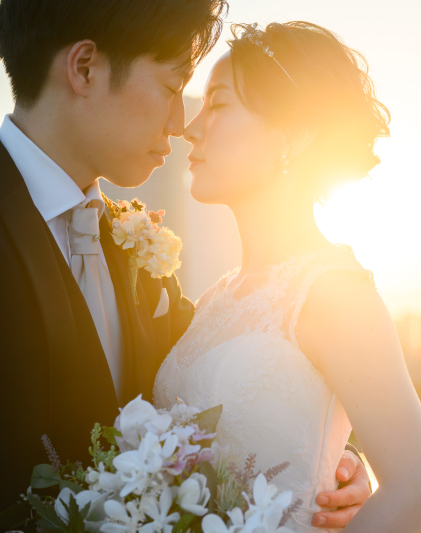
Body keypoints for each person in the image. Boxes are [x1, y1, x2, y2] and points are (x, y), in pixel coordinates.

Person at [0, 1, 371, 524]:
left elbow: (219, 382)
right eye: (174, 88)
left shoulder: (130, 243)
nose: (181, 125)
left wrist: (327, 460)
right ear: (84, 68)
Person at [154, 22, 421, 532]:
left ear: (293, 134)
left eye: (218, 105)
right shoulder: (215, 299)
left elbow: (420, 489)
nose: (190, 128)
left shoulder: (334, 294)